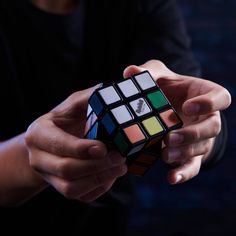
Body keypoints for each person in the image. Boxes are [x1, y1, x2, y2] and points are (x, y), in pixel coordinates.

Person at [0, 0, 231, 235]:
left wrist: (197, 131)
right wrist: (29, 156)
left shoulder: (144, 6)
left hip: (107, 223)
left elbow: (200, 113)